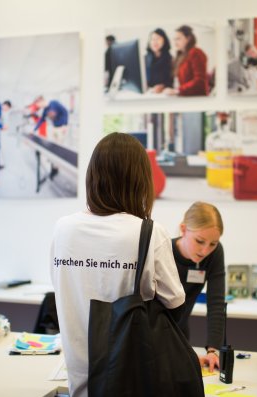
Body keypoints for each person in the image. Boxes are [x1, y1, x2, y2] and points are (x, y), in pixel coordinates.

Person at [50, 132, 186, 397]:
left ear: (93, 176)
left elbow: (62, 286)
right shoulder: (149, 233)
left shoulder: (62, 229)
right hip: (130, 379)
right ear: (140, 181)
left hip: (78, 379)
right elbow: (175, 301)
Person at [172, 201, 226, 373]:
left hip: (181, 335)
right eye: (200, 241)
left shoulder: (215, 254)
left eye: (213, 243)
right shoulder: (163, 250)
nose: (205, 251)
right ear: (183, 229)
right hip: (155, 338)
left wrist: (213, 351)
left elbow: (216, 302)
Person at [164, 25, 209, 96]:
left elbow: (200, 80)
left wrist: (178, 90)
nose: (175, 42)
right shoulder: (181, 56)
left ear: (188, 38)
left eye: (178, 39)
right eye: (174, 39)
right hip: (186, 97)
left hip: (197, 99)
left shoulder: (196, 52)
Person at [145, 28, 173, 93]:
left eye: (158, 39)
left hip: (164, 93)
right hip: (148, 92)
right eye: (152, 39)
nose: (155, 42)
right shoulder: (145, 59)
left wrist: (163, 86)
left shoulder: (170, 59)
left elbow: (170, 80)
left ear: (164, 40)